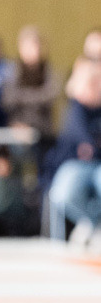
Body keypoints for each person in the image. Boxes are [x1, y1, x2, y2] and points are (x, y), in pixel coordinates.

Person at [46, 55, 101, 244]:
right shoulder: (75, 109)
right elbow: (81, 138)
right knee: (65, 192)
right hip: (76, 164)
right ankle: (92, 223)